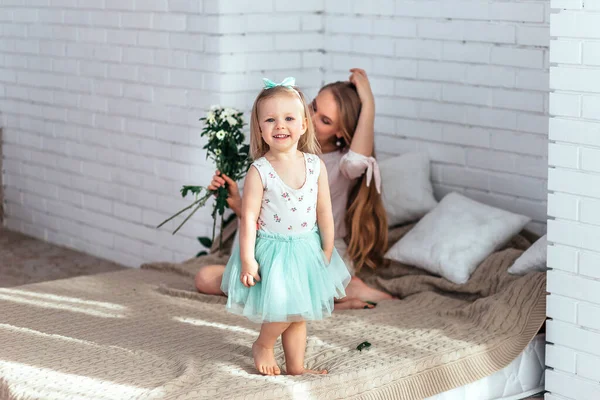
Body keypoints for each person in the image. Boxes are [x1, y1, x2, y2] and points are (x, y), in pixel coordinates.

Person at [196, 68, 392, 310]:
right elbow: (262, 218)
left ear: (341, 132)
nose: (309, 115)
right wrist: (236, 200)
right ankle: (329, 297)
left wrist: (368, 103)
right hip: (277, 250)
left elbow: (358, 160)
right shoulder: (275, 155)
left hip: (314, 250)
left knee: (284, 290)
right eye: (313, 106)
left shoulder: (339, 165)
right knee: (205, 278)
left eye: (325, 120)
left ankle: (343, 291)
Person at [221, 77, 351, 376]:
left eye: (289, 118)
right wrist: (247, 259)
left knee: (300, 314)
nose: (280, 125)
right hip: (274, 251)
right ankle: (264, 344)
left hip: (306, 247)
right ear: (260, 129)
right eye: (270, 119)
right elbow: (249, 218)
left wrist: (327, 248)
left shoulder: (315, 165)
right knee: (288, 309)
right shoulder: (260, 171)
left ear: (304, 125)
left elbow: (324, 212)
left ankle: (295, 365)